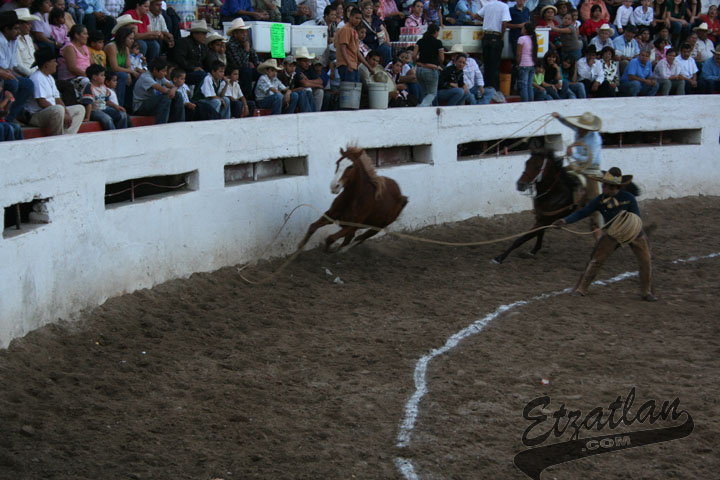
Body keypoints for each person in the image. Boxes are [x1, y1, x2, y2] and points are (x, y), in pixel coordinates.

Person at [553, 167, 657, 302]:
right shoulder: (600, 200)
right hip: (614, 233)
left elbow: (636, 218)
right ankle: (581, 288)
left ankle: (646, 292)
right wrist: (564, 221)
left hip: (633, 232)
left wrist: (628, 226)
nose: (603, 188)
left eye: (605, 185)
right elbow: (582, 213)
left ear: (613, 187)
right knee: (597, 259)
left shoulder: (629, 198)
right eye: (603, 185)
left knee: (645, 260)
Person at [551, 111, 604, 234]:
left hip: (591, 168)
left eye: (581, 128)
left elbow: (591, 159)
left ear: (587, 129)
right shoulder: (579, 130)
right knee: (559, 174)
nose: (578, 130)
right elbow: (568, 123)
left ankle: (597, 224)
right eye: (578, 127)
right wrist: (559, 117)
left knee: (593, 198)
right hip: (579, 164)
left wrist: (573, 155)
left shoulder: (595, 140)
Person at [24, 47, 85, 133]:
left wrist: (66, 112)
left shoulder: (50, 77)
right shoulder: (37, 77)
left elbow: (57, 99)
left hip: (53, 111)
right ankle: (58, 136)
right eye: (54, 61)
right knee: (58, 109)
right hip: (36, 115)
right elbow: (42, 102)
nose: (57, 64)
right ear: (46, 64)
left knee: (80, 109)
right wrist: (62, 113)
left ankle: (67, 136)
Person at [0, 10, 34, 121]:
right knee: (13, 83)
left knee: (28, 84)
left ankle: (10, 117)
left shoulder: (13, 40)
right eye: (16, 29)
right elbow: (3, 66)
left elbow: (12, 65)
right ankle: (3, 117)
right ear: (6, 29)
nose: (18, 32)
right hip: (1, 75)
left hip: (6, 73)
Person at [132, 56, 184, 123]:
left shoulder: (159, 76)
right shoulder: (146, 78)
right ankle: (161, 124)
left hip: (152, 103)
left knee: (178, 94)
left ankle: (180, 122)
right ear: (155, 70)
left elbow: (172, 86)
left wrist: (173, 89)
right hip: (140, 107)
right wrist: (173, 89)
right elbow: (163, 90)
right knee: (166, 97)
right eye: (163, 71)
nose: (165, 73)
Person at [80, 62, 127, 128]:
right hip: (94, 111)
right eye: (102, 75)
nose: (104, 77)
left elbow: (107, 101)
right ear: (94, 77)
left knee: (122, 114)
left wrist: (116, 106)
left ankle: (121, 132)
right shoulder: (89, 87)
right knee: (107, 119)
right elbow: (89, 104)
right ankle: (112, 133)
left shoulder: (103, 86)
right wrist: (87, 117)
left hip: (104, 108)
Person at [478, 0, 511, 91]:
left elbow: (477, 15)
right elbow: (504, 22)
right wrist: (502, 36)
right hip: (496, 36)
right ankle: (494, 87)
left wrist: (487, 20)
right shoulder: (504, 6)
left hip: (486, 35)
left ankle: (487, 86)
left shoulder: (488, 5)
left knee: (487, 63)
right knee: (495, 64)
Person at [103, 24, 138, 108]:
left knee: (134, 77)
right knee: (122, 76)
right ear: (123, 38)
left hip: (121, 71)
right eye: (130, 39)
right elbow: (115, 67)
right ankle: (119, 105)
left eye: (133, 39)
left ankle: (129, 106)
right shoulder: (112, 47)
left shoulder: (126, 48)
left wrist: (129, 74)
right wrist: (131, 72)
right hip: (109, 71)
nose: (132, 41)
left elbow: (128, 65)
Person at [225, 17, 258, 100]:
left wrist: (258, 64)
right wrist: (246, 51)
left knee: (261, 72)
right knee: (247, 71)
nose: (244, 34)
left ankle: (257, 96)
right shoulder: (231, 46)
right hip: (234, 71)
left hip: (245, 70)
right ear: (235, 34)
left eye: (245, 31)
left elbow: (255, 59)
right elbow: (240, 64)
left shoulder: (245, 43)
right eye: (241, 32)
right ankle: (248, 98)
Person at [335, 6, 369, 82]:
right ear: (350, 17)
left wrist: (368, 67)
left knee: (355, 87)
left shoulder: (353, 30)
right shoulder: (346, 29)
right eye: (356, 18)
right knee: (348, 88)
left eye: (359, 19)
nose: (358, 21)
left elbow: (356, 51)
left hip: (354, 64)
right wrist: (348, 64)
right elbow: (343, 48)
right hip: (346, 64)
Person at [412, 22, 443, 106]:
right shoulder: (438, 42)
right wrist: (438, 64)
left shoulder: (420, 41)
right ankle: (421, 107)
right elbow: (441, 58)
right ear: (436, 32)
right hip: (431, 69)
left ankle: (427, 109)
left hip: (419, 69)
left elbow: (414, 55)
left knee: (425, 93)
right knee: (432, 93)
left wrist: (416, 62)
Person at [173, 19, 208, 87]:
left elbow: (205, 61)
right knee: (202, 75)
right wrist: (193, 68)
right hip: (184, 72)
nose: (205, 36)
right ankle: (198, 93)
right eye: (203, 34)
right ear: (195, 34)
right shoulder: (184, 43)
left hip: (198, 71)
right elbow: (180, 59)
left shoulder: (203, 46)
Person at [294, 46, 324, 112]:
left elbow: (320, 81)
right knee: (308, 90)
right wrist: (317, 85)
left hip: (307, 89)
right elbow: (304, 84)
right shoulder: (296, 69)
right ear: (298, 62)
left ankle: (317, 112)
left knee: (319, 91)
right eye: (305, 61)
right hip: (298, 91)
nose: (307, 63)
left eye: (308, 61)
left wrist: (308, 80)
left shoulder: (309, 68)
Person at [13, 8, 40, 77]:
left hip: (36, 72)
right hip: (24, 75)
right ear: (19, 25)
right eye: (28, 23)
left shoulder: (28, 38)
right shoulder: (14, 40)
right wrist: (33, 75)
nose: (30, 26)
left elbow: (34, 58)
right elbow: (18, 65)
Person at [515, 21, 536, 102]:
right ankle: (530, 102)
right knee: (530, 86)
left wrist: (518, 63)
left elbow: (518, 53)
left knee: (523, 85)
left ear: (525, 30)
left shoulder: (521, 39)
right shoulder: (533, 39)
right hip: (532, 63)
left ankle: (525, 102)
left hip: (524, 63)